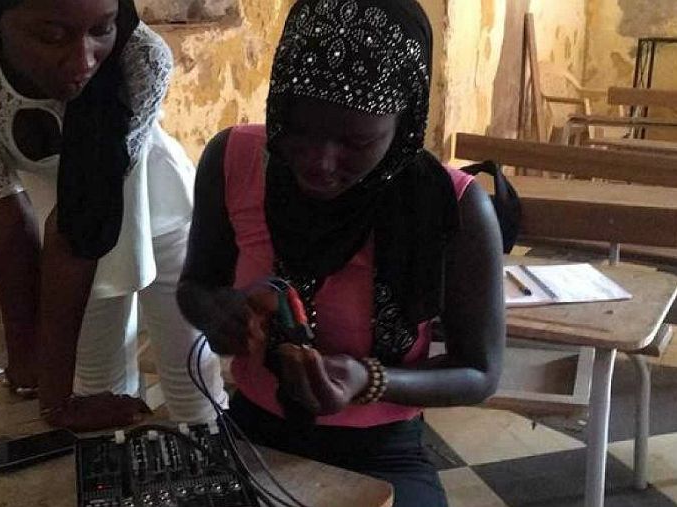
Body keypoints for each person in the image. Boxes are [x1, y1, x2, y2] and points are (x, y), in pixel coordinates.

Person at [177, 0, 505, 504]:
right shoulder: (234, 159)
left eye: (355, 142)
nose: (321, 163)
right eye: (298, 131)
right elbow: (196, 286)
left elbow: (479, 372)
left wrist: (369, 379)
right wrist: (221, 313)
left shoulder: (452, 206)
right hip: (253, 434)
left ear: (404, 122)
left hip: (382, 452)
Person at [0, 0, 226, 430]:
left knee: (189, 364)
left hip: (144, 195)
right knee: (95, 375)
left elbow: (83, 218)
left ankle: (210, 454)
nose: (84, 61)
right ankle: (109, 466)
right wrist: (30, 365)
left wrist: (53, 398)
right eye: (52, 36)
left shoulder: (142, 57)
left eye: (102, 29)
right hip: (52, 204)